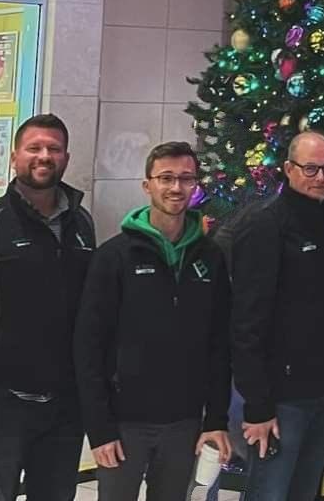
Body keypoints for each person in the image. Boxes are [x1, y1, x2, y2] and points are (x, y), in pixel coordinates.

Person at [0, 114, 95, 501]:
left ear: (66, 157)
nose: (44, 156)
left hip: (65, 404)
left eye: (54, 148)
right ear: (14, 157)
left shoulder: (81, 224)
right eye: (34, 147)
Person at [73, 141, 231, 501]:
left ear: (196, 185)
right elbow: (88, 346)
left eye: (186, 178)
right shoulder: (114, 257)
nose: (176, 187)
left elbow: (220, 343)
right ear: (147, 185)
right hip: (124, 423)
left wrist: (216, 419)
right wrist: (99, 429)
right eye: (166, 178)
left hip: (184, 422)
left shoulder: (210, 257)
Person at [230, 131, 324, 501]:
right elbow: (247, 322)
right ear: (288, 169)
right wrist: (258, 405)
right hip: (281, 399)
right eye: (311, 169)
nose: (321, 178)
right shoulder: (265, 225)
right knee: (270, 491)